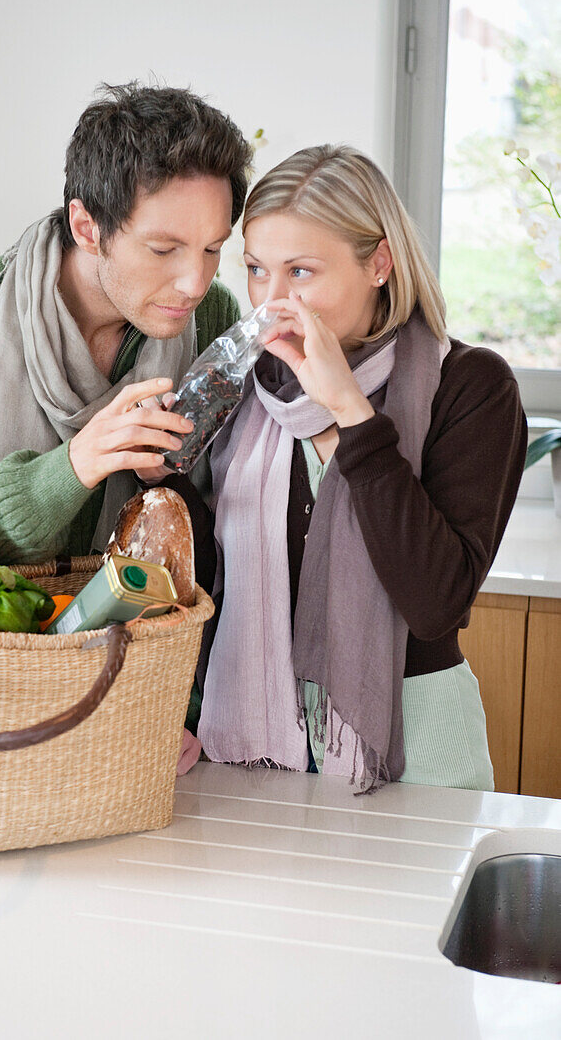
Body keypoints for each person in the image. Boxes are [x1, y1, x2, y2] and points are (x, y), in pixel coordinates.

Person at [190, 144, 527, 791]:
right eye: (257, 269)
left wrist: (349, 409)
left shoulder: (470, 385)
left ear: (379, 263)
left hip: (417, 757)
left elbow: (435, 603)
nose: (272, 299)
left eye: (302, 272)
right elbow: (211, 584)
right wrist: (163, 474)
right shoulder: (243, 391)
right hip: (257, 761)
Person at [0, 82, 252, 569]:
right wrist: (67, 472)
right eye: (163, 249)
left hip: (155, 644)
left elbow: (236, 528)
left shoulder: (214, 320)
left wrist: (162, 479)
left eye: (212, 248)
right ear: (87, 228)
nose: (194, 283)